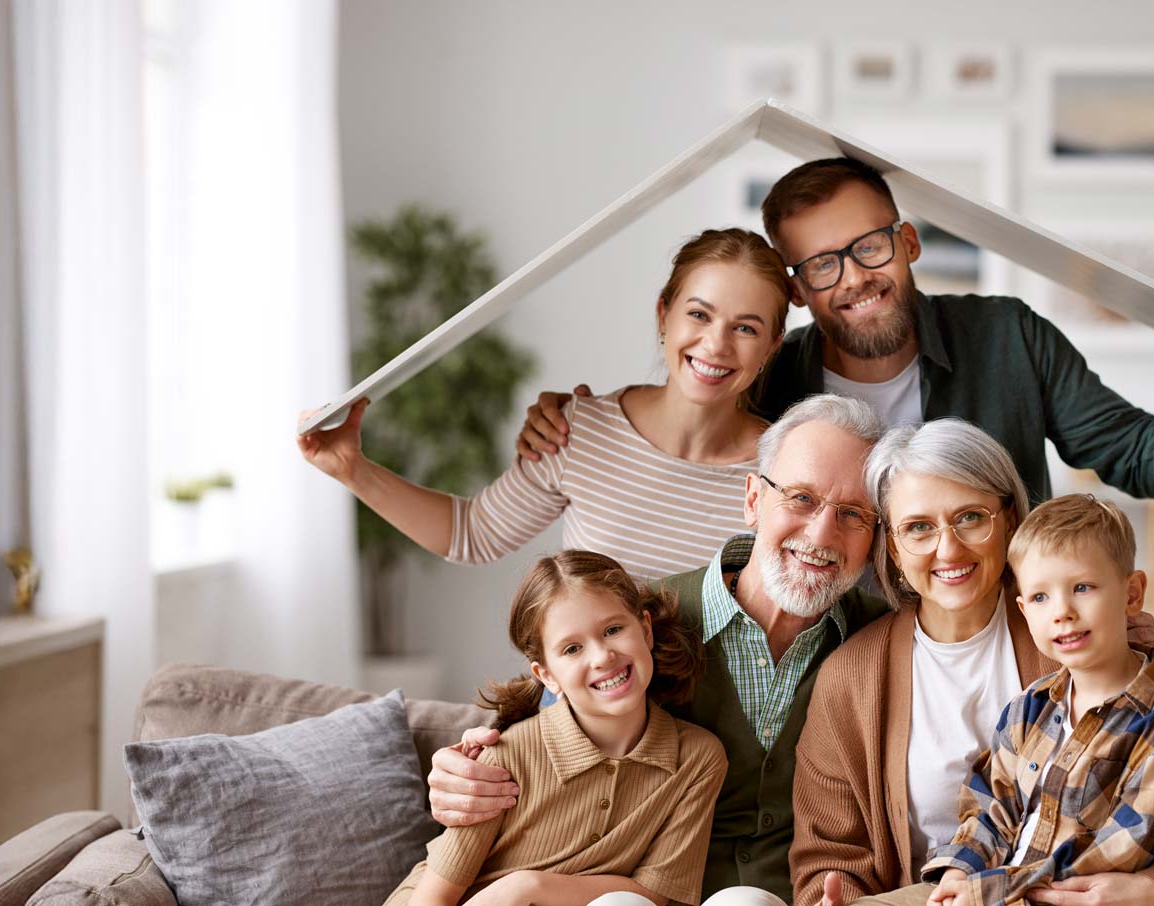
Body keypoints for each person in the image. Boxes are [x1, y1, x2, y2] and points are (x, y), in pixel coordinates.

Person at [513, 157, 1154, 504]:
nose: (852, 277)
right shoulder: (772, 378)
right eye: (821, 265)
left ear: (908, 242)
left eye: (868, 247)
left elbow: (1129, 453)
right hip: (837, 660)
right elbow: (677, 432)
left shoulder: (1007, 337)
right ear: (794, 290)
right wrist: (576, 424)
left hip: (995, 631)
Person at [425, 395, 896, 901]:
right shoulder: (638, 626)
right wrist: (465, 769)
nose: (822, 532)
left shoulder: (883, 645)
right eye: (800, 498)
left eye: (853, 514)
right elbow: (548, 714)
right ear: (753, 500)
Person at [792, 423, 1154, 906]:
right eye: (919, 528)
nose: (948, 549)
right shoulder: (852, 679)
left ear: (1009, 520)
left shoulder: (1078, 639)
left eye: (970, 517)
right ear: (893, 549)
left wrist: (1151, 890)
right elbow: (828, 858)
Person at [300, 228, 791, 583]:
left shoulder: (783, 472)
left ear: (773, 344)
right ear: (664, 314)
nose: (716, 344)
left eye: (746, 327)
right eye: (699, 314)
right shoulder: (580, 431)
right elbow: (473, 534)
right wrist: (352, 469)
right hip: (575, 714)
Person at [381, 550, 778, 906]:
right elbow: (433, 896)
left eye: (612, 630)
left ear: (646, 629)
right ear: (547, 675)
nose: (603, 656)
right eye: (572, 649)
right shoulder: (505, 757)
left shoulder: (697, 758)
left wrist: (527, 887)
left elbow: (656, 894)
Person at [918, 494, 1154, 906]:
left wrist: (989, 891)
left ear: (1132, 595)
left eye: (1082, 587)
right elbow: (990, 807)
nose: (1062, 611)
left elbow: (1118, 853)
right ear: (1023, 609)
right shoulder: (1028, 707)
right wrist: (962, 869)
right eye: (1040, 597)